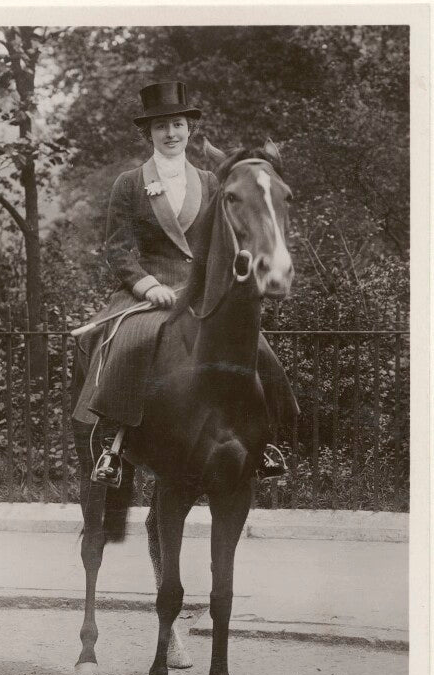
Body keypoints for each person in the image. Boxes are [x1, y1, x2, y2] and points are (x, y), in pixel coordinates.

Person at [72, 81, 298, 486]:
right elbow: (117, 249)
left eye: (177, 124)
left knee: (259, 349)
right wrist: (146, 285)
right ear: (149, 134)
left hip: (203, 291)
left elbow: (225, 239)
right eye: (161, 127)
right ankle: (114, 445)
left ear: (189, 129)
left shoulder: (212, 182)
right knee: (130, 343)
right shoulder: (129, 182)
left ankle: (264, 442)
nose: (171, 133)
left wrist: (237, 272)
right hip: (150, 293)